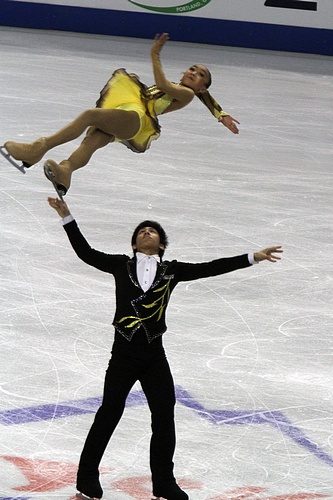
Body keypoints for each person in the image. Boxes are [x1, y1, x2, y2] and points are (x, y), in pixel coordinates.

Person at [47, 196, 282, 500]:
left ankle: (163, 482)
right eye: (141, 231)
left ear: (160, 245)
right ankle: (86, 477)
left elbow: (210, 268)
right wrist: (67, 218)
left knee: (164, 416)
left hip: (154, 356)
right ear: (134, 245)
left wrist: (253, 257)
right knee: (109, 413)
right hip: (123, 353)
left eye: (152, 231)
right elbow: (86, 253)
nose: (146, 232)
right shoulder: (120, 265)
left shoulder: (172, 270)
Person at [3, 33, 240, 196]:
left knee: (89, 115)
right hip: (129, 112)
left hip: (137, 118)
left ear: (201, 88)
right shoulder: (191, 91)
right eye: (193, 68)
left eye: (200, 75)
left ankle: (38, 148)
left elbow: (164, 84)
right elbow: (197, 93)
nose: (193, 72)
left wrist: (155, 55)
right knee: (93, 139)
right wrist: (220, 114)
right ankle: (66, 171)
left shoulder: (186, 94)